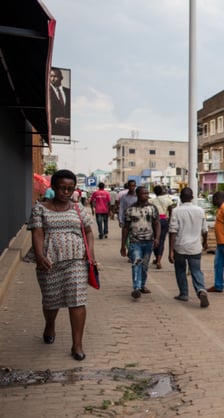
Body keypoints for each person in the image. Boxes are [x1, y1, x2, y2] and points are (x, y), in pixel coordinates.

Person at [26, 169, 94, 361]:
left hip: (76, 260)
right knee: (51, 299)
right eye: (62, 188)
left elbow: (88, 232)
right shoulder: (40, 208)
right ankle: (50, 324)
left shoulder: (78, 208)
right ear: (54, 187)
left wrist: (90, 255)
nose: (65, 192)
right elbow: (37, 233)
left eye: (70, 188)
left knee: (77, 299)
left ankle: (77, 345)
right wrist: (39, 256)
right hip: (49, 260)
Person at [168, 187, 209, 308]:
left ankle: (184, 294)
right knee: (196, 270)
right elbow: (204, 230)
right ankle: (201, 290)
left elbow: (173, 232)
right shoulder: (200, 210)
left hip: (180, 247)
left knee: (180, 271)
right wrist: (205, 242)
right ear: (192, 197)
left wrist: (170, 251)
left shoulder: (176, 211)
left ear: (180, 198)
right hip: (195, 247)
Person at [121, 186, 160, 299]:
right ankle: (136, 288)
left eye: (147, 193)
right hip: (135, 242)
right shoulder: (130, 209)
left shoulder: (152, 208)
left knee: (145, 265)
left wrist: (157, 238)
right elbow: (126, 227)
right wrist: (123, 245)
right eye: (144, 193)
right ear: (137, 195)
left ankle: (142, 285)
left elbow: (157, 223)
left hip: (149, 241)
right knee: (136, 263)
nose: (146, 195)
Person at [150, 185, 175, 269]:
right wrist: (170, 221)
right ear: (161, 191)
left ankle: (157, 258)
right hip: (164, 220)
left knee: (155, 239)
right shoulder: (168, 200)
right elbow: (171, 210)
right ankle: (159, 260)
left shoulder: (152, 201)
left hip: (155, 221)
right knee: (161, 240)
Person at [49, 68, 71, 137]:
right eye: (51, 76)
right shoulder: (47, 92)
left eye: (55, 76)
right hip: (53, 131)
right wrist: (55, 120)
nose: (52, 79)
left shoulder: (68, 92)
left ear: (61, 78)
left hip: (66, 132)